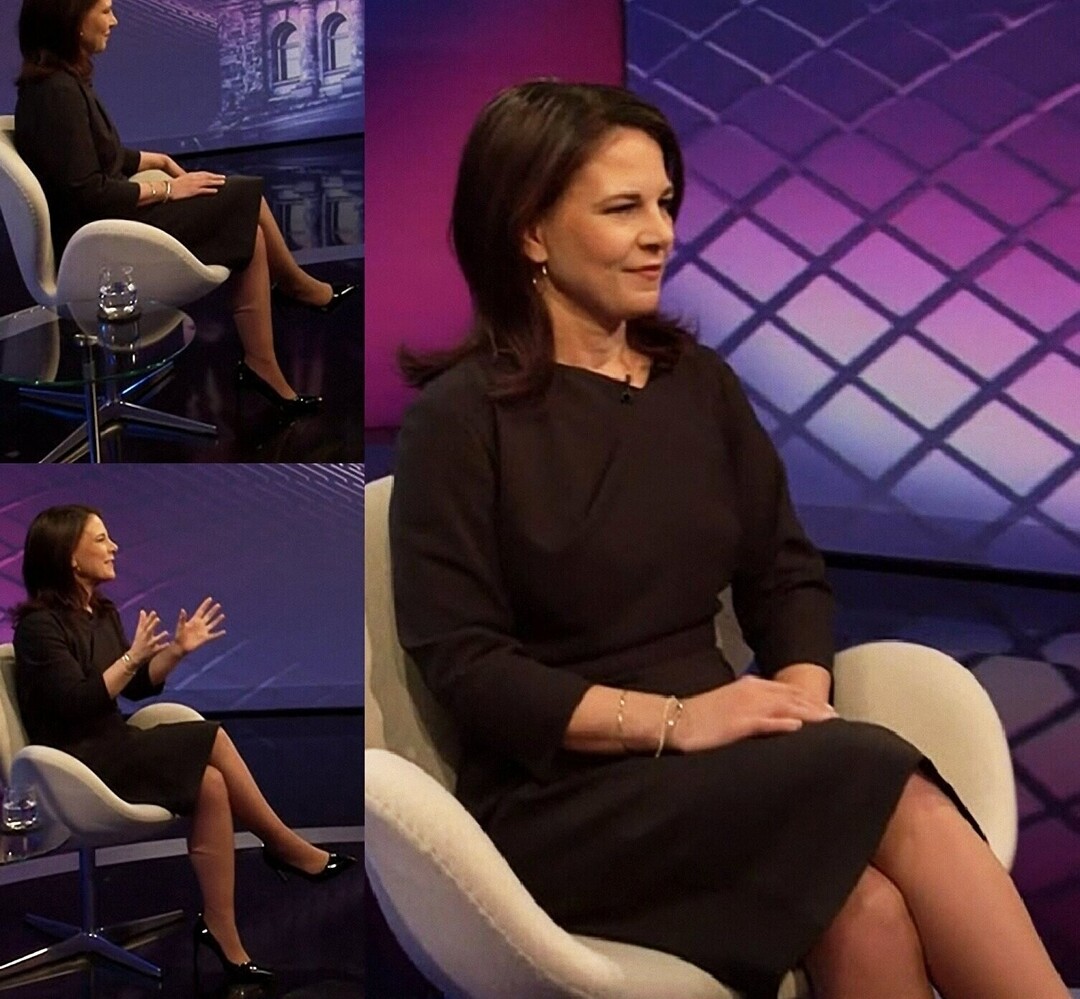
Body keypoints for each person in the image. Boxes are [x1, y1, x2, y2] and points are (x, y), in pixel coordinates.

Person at [388, 81, 1070, 999]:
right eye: (623, 208)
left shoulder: (698, 385)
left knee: (866, 907)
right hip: (562, 795)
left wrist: (798, 704)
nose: (661, 233)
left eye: (665, 202)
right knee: (885, 776)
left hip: (725, 762)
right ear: (531, 232)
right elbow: (468, 666)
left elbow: (786, 575)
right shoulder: (459, 421)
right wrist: (676, 721)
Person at [12, 505, 355, 985]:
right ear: (70, 555)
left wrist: (174, 651)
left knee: (211, 784)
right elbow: (75, 702)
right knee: (212, 737)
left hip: (113, 745)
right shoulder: (39, 627)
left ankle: (223, 934)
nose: (114, 547)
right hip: (73, 761)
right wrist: (132, 657)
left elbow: (135, 688)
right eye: (102, 539)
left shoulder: (101, 613)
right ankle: (282, 844)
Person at [13, 0, 358, 416]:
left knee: (246, 225)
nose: (114, 21)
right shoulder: (55, 93)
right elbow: (87, 193)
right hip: (96, 241)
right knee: (241, 197)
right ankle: (296, 288)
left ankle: (263, 363)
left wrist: (154, 159)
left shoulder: (61, 83)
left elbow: (95, 156)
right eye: (104, 11)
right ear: (71, 19)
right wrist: (168, 189)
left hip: (104, 222)